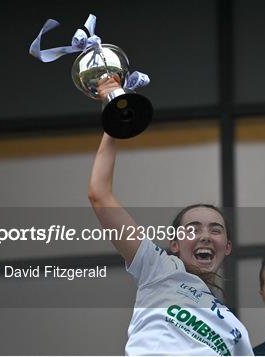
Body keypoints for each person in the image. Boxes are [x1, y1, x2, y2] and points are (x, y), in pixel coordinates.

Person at [88, 76, 254, 356]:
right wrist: (114, 117)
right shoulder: (158, 268)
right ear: (174, 244)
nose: (204, 235)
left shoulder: (237, 331)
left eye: (215, 230)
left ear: (227, 247)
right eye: (193, 229)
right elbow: (100, 195)